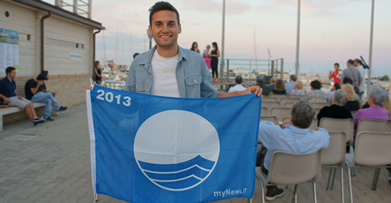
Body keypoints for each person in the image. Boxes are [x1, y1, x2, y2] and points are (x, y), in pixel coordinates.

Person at [110, 2, 261, 98]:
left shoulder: (196, 60)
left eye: (170, 24)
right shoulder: (139, 63)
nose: (165, 29)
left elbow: (211, 98)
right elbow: (126, 101)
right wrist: (99, 95)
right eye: (158, 24)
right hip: (150, 139)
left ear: (179, 28)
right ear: (150, 29)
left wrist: (243, 94)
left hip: (188, 139)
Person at [258, 100, 330, 201]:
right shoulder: (319, 137)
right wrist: (319, 130)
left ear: (291, 117)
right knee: (269, 148)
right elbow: (326, 135)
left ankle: (269, 187)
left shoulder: (274, 132)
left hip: (273, 172)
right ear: (311, 121)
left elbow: (258, 125)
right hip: (305, 172)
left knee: (266, 149)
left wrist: (281, 124)